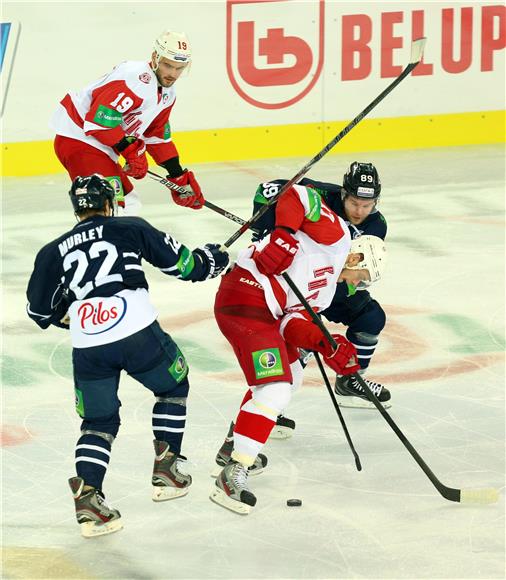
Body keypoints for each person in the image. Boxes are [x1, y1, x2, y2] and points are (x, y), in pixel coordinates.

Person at [26, 174, 229, 537]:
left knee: (98, 424)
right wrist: (213, 259)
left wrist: (82, 314)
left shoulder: (51, 251)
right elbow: (184, 266)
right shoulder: (129, 227)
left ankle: (89, 497)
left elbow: (41, 313)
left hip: (88, 342)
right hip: (135, 330)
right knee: (172, 387)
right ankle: (167, 469)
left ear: (77, 209)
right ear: (109, 203)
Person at [210, 182, 360, 514]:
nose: (356, 283)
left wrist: (327, 345)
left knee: (290, 374)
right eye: (360, 275)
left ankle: (235, 444)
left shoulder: (324, 295)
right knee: (275, 388)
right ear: (357, 255)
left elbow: (289, 324)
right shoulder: (337, 239)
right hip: (245, 297)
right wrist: (284, 235)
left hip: (266, 312)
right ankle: (234, 470)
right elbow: (297, 194)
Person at [250, 161, 390, 440]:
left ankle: (350, 380)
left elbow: (359, 270)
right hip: (299, 282)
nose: (360, 211)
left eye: (367, 204)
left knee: (371, 317)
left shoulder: (376, 224)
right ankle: (267, 409)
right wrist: (268, 231)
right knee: (298, 346)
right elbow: (268, 190)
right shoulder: (319, 195)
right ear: (343, 194)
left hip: (333, 282)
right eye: (354, 202)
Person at [50, 30, 204, 215]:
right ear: (155, 57)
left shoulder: (167, 94)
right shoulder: (134, 79)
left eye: (179, 68)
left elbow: (155, 135)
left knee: (129, 205)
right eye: (168, 66)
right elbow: (99, 123)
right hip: (80, 141)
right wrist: (131, 151)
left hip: (101, 148)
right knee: (109, 208)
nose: (173, 74)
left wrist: (178, 176)